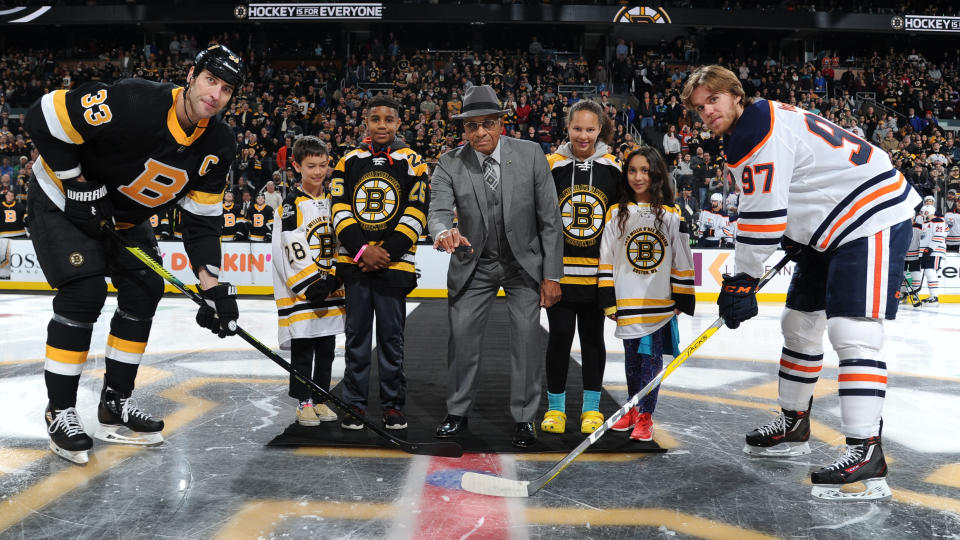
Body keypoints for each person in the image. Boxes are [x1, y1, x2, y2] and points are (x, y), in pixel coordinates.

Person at [683, 65, 920, 500]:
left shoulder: (755, 131)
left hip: (870, 216)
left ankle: (866, 449)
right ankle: (795, 422)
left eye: (713, 100)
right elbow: (797, 188)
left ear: (735, 95)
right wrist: (797, 237)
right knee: (799, 324)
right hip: (833, 226)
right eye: (699, 108)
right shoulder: (765, 116)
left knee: (854, 332)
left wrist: (743, 279)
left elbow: (762, 218)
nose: (707, 112)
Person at [24, 44, 244, 465]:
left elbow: (201, 222)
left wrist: (212, 286)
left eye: (227, 89)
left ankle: (114, 403)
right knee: (83, 293)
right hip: (61, 199)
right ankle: (60, 411)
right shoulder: (133, 99)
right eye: (211, 80)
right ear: (192, 75)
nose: (216, 94)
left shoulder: (219, 143)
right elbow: (41, 116)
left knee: (145, 289)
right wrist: (75, 182)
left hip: (122, 216)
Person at [428, 85, 563, 449]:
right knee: (462, 340)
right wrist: (443, 233)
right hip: (475, 264)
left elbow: (550, 219)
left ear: (502, 124)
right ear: (464, 129)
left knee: (526, 341)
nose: (480, 133)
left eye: (488, 124)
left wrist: (552, 275)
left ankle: (524, 419)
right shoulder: (449, 162)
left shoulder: (533, 154)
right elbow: (438, 211)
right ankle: (457, 413)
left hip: (524, 266)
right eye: (472, 127)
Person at [330, 94, 429, 431]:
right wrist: (361, 251)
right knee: (356, 338)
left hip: (394, 266)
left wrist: (387, 251)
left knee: (391, 339)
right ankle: (355, 404)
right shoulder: (347, 161)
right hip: (357, 265)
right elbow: (339, 208)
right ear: (366, 123)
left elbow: (417, 211)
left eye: (389, 119)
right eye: (376, 119)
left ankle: (392, 405)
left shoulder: (414, 161)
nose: (382, 125)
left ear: (399, 123)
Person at [598, 147, 695, 441]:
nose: (638, 177)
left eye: (645, 170)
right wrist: (607, 300)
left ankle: (645, 416)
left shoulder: (671, 215)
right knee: (631, 360)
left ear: (656, 174)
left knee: (651, 360)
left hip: (658, 303)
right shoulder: (615, 213)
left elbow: (682, 258)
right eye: (632, 170)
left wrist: (682, 296)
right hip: (627, 302)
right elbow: (606, 258)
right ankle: (631, 407)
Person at [541, 99, 621, 435]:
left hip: (597, 277)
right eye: (577, 128)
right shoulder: (550, 165)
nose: (583, 136)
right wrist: (545, 274)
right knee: (559, 337)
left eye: (590, 129)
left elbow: (619, 227)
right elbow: (541, 221)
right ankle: (556, 408)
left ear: (600, 129)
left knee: (592, 340)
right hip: (559, 275)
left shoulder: (615, 169)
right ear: (567, 128)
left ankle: (591, 408)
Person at [272, 136, 344, 426]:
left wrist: (337, 277)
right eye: (311, 166)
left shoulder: (334, 201)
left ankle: (321, 398)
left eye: (323, 165)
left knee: (326, 349)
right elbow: (290, 245)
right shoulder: (291, 205)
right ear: (296, 167)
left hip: (331, 288)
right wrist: (312, 283)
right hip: (306, 292)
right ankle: (304, 402)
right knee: (304, 349)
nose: (317, 172)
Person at [917, 204, 946, 305]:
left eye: (923, 212)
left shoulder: (938, 221)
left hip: (935, 250)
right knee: (927, 272)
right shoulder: (926, 223)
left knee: (930, 272)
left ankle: (934, 297)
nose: (922, 215)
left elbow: (940, 236)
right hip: (927, 251)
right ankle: (932, 296)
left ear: (927, 212)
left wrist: (930, 248)